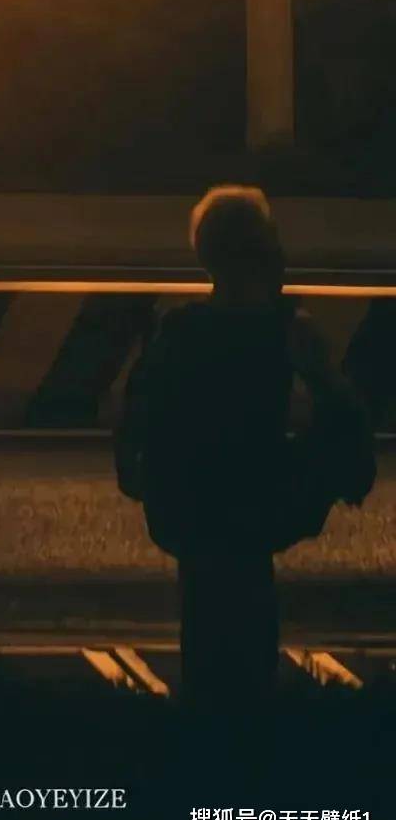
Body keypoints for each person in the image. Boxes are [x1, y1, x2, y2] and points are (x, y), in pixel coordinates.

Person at [115, 185, 375, 704]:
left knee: (207, 628)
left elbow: (136, 414)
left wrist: (138, 475)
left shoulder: (180, 331)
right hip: (255, 505)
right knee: (247, 631)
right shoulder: (285, 332)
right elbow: (339, 406)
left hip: (189, 508)